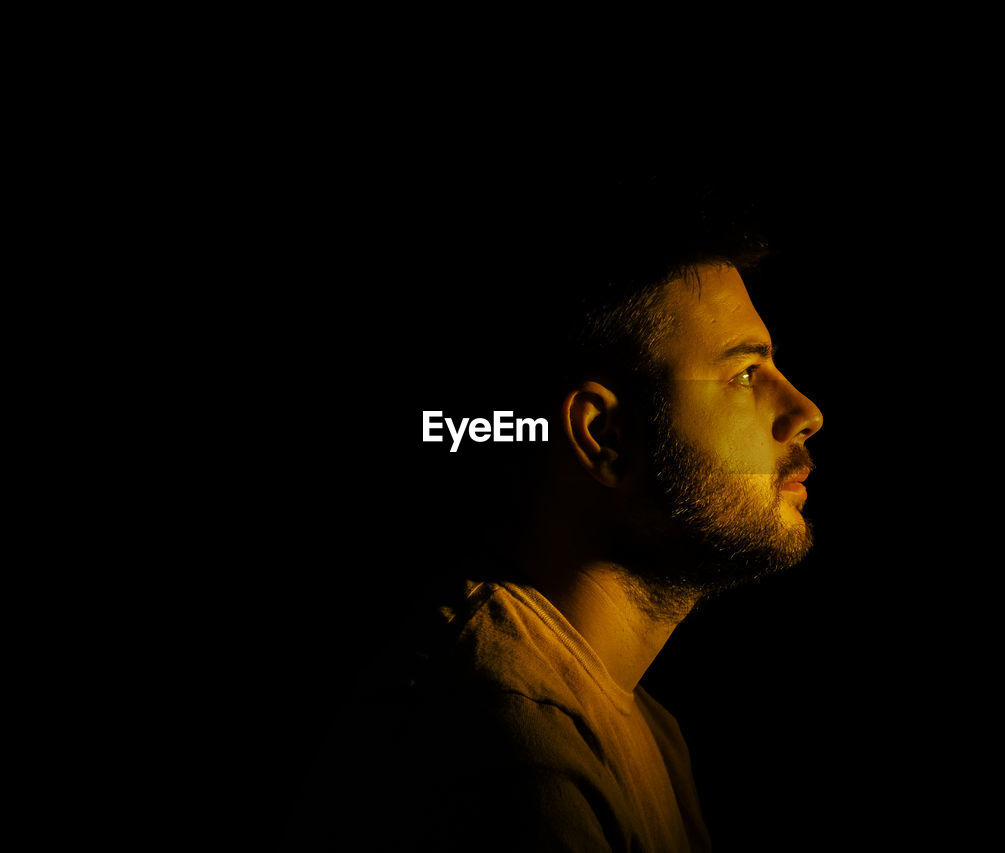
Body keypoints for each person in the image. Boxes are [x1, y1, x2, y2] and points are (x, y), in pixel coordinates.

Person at [287, 175, 823, 851]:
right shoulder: (510, 748)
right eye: (746, 374)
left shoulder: (642, 726)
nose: (806, 412)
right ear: (603, 436)